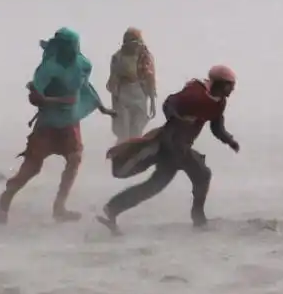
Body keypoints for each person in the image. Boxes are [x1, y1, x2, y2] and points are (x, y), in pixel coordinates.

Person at [97, 65, 240, 235]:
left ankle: (111, 209)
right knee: (202, 174)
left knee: (155, 185)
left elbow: (217, 127)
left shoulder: (218, 103)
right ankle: (199, 219)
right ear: (218, 83)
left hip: (181, 147)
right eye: (228, 85)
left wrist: (229, 140)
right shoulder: (195, 93)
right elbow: (170, 102)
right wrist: (176, 117)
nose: (232, 89)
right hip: (170, 144)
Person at [0, 28, 115, 225]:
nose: (74, 50)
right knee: (32, 168)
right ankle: (6, 198)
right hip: (47, 125)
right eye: (70, 46)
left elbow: (85, 86)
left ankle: (59, 207)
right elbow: (35, 96)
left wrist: (102, 107)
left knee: (75, 159)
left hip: (69, 123)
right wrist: (54, 100)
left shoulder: (83, 64)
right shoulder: (48, 68)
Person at [106, 27, 157, 143]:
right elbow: (113, 82)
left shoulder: (145, 57)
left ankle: (133, 155)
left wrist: (152, 102)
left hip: (140, 94)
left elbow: (150, 80)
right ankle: (120, 156)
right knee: (122, 132)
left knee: (137, 131)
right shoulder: (118, 57)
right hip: (123, 94)